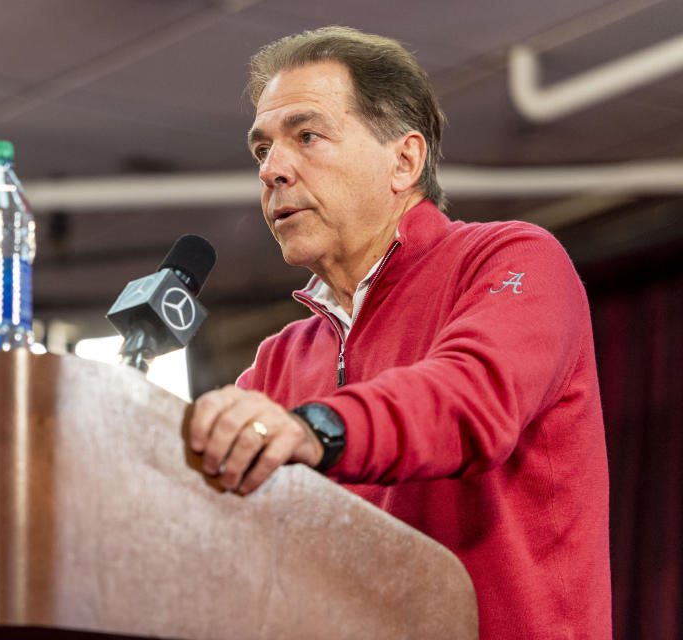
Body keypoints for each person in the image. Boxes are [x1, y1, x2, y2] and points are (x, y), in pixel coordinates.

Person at [188, 26, 611, 639]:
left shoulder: (510, 260)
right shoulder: (279, 362)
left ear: (404, 160)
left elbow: (469, 398)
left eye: (306, 136)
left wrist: (316, 429)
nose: (273, 169)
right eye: (262, 150)